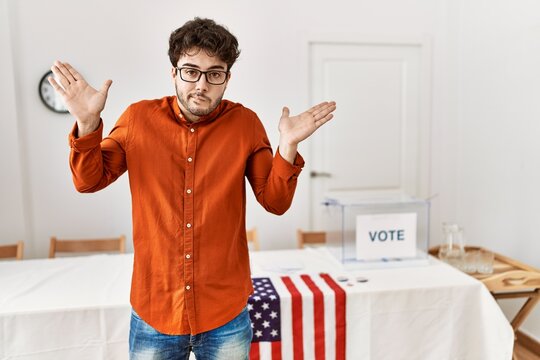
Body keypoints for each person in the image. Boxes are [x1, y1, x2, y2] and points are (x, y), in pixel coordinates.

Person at [49, 17, 336, 360]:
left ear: (227, 79)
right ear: (173, 73)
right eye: (190, 71)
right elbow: (88, 180)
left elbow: (275, 202)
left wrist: (287, 145)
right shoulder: (138, 119)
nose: (201, 85)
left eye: (214, 73)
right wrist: (87, 123)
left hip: (225, 312)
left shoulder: (245, 125)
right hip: (155, 310)